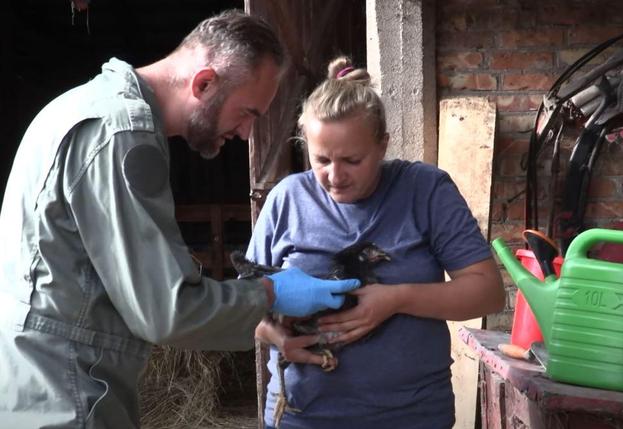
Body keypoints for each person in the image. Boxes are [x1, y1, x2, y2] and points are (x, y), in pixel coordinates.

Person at [0, 11, 361, 429]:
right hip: (71, 392)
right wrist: (268, 293)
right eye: (247, 113)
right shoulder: (122, 136)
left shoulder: (77, 106)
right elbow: (166, 313)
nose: (246, 133)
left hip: (33, 382)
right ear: (204, 82)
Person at [248, 56, 506, 429]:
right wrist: (278, 339)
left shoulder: (424, 190)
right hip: (305, 417)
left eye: (352, 160)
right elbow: (243, 305)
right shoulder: (287, 199)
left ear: (382, 146)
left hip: (410, 416)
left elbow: (488, 293)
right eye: (321, 159)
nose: (335, 176)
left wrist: (396, 299)